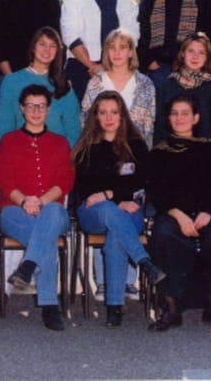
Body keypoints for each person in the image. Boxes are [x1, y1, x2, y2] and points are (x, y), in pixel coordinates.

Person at [71, 92, 166, 327]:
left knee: (116, 233)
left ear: (122, 114)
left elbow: (142, 179)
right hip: (93, 213)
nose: (109, 118)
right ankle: (144, 261)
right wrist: (113, 198)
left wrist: (111, 194)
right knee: (107, 210)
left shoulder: (136, 145)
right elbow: (84, 188)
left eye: (114, 112)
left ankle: (114, 306)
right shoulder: (86, 146)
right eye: (103, 113)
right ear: (95, 116)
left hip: (128, 210)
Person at [146, 94, 211, 331]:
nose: (179, 118)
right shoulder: (159, 152)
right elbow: (157, 191)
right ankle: (170, 307)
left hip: (208, 213)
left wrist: (209, 211)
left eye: (185, 113)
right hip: (174, 214)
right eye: (174, 113)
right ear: (168, 118)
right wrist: (178, 215)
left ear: (196, 118)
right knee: (163, 233)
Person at [0, 84, 75, 331]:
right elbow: (2, 179)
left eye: (41, 106)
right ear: (22, 108)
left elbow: (65, 180)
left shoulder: (60, 143)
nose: (36, 111)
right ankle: (50, 305)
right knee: (45, 238)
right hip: (14, 210)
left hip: (52, 209)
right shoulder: (8, 141)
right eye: (31, 106)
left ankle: (28, 265)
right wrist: (24, 201)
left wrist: (41, 201)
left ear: (48, 109)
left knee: (51, 214)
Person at [61, 0, 140, 100]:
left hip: (117, 69)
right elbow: (70, 35)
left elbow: (133, 34)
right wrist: (92, 66)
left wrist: (111, 66)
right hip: (82, 70)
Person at [0, 26, 80, 156]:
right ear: (33, 47)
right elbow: (4, 124)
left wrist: (70, 158)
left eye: (52, 46)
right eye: (42, 44)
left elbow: (73, 128)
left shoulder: (63, 84)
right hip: (22, 153)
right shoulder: (11, 82)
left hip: (56, 155)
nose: (47, 50)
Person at [154, 32, 211, 151]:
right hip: (172, 153)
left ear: (207, 58)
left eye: (201, 53)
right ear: (183, 54)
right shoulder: (167, 85)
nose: (195, 56)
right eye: (191, 51)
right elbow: (159, 126)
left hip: (205, 154)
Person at [82, 28, 156, 147]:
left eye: (122, 47)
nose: (117, 53)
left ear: (131, 52)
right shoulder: (96, 82)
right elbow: (86, 119)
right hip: (101, 147)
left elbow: (148, 126)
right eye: (112, 48)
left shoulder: (145, 84)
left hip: (134, 149)